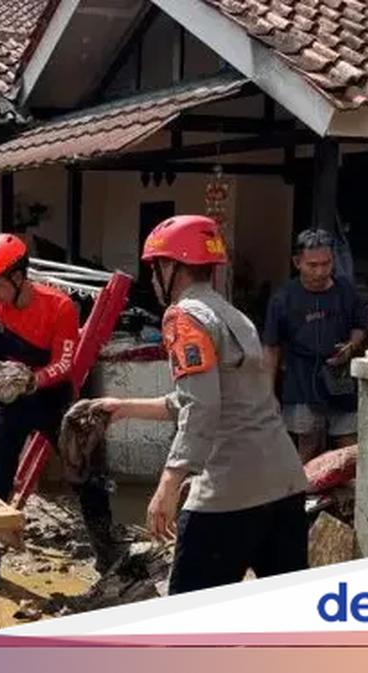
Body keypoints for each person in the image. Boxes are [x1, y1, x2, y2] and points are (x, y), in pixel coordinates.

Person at [87, 215, 308, 594]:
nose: (153, 279)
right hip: (284, 483)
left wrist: (169, 484)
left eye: (154, 269)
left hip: (228, 492)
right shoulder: (233, 315)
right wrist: (123, 407)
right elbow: (208, 398)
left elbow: (202, 407)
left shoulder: (183, 317)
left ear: (171, 267)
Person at [0, 233, 117, 585]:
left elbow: (64, 363)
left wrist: (32, 380)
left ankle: (107, 553)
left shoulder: (60, 306)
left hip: (53, 399)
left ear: (18, 277)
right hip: (11, 403)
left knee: (86, 472)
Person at [263, 229, 368, 461]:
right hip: (301, 382)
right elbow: (271, 347)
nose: (321, 271)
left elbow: (360, 325)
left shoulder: (346, 291)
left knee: (348, 446)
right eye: (313, 265)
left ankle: (347, 497)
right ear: (297, 262)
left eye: (326, 263)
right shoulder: (284, 299)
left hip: (341, 381)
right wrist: (268, 391)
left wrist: (352, 344)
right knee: (307, 446)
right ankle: (302, 494)